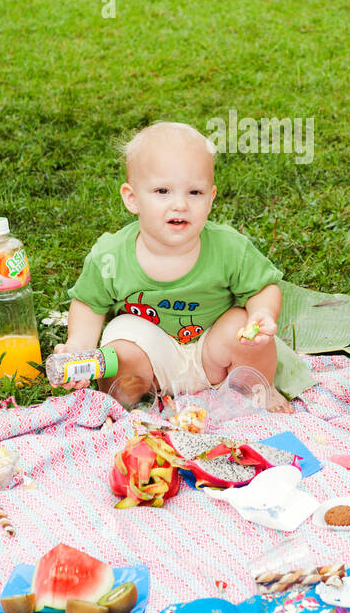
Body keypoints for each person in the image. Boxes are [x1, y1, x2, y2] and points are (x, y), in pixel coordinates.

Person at [55, 121, 290, 410]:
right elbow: (89, 306)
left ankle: (257, 388)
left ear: (211, 198)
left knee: (243, 328)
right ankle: (136, 400)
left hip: (212, 352)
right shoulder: (110, 256)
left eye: (194, 193)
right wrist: (79, 346)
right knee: (120, 345)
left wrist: (262, 314)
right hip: (152, 361)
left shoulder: (229, 248)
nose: (179, 204)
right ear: (132, 198)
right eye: (163, 191)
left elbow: (263, 288)